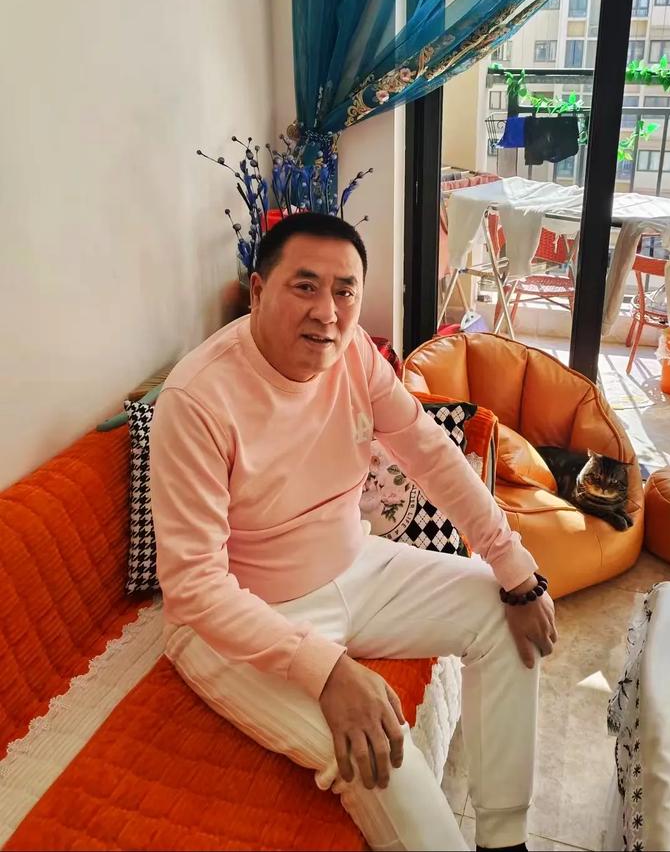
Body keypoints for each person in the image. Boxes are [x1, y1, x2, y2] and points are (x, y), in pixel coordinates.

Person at [150, 212, 557, 852]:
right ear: (258, 290)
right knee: (382, 755)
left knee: (504, 615)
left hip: (356, 566)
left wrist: (516, 569)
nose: (328, 312)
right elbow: (195, 587)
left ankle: (504, 840)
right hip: (239, 618)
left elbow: (430, 452)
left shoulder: (355, 354)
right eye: (304, 286)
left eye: (345, 291)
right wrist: (327, 671)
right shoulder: (197, 399)